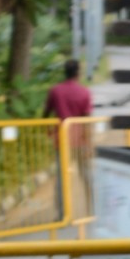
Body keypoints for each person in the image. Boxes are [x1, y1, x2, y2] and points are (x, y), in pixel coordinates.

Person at [44, 55, 97, 210]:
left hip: (62, 139)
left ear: (65, 72)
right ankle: (93, 209)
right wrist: (89, 142)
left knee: (61, 178)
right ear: (78, 73)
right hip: (80, 139)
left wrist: (48, 129)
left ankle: (61, 213)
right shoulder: (84, 92)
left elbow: (46, 113)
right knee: (86, 174)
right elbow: (87, 118)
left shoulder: (55, 91)